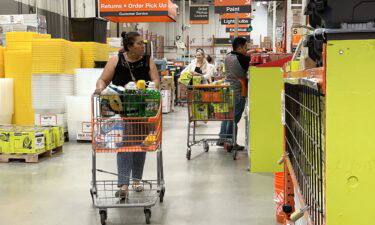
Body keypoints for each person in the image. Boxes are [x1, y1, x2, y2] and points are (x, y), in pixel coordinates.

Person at [95, 31, 160, 199]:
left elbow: (156, 82)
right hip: (121, 112)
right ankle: (123, 184)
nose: (143, 46)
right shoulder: (116, 60)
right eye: (139, 43)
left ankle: (136, 180)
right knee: (125, 146)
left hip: (143, 111)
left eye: (143, 43)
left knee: (140, 146)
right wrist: (100, 89)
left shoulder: (148, 61)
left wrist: (150, 89)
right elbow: (102, 80)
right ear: (129, 46)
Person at [217, 37, 252, 151]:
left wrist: (250, 52)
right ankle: (231, 142)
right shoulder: (243, 59)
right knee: (234, 118)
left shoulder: (228, 56)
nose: (247, 50)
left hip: (226, 90)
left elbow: (244, 55)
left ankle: (222, 139)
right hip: (238, 91)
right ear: (240, 48)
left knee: (226, 115)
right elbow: (248, 59)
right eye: (246, 48)